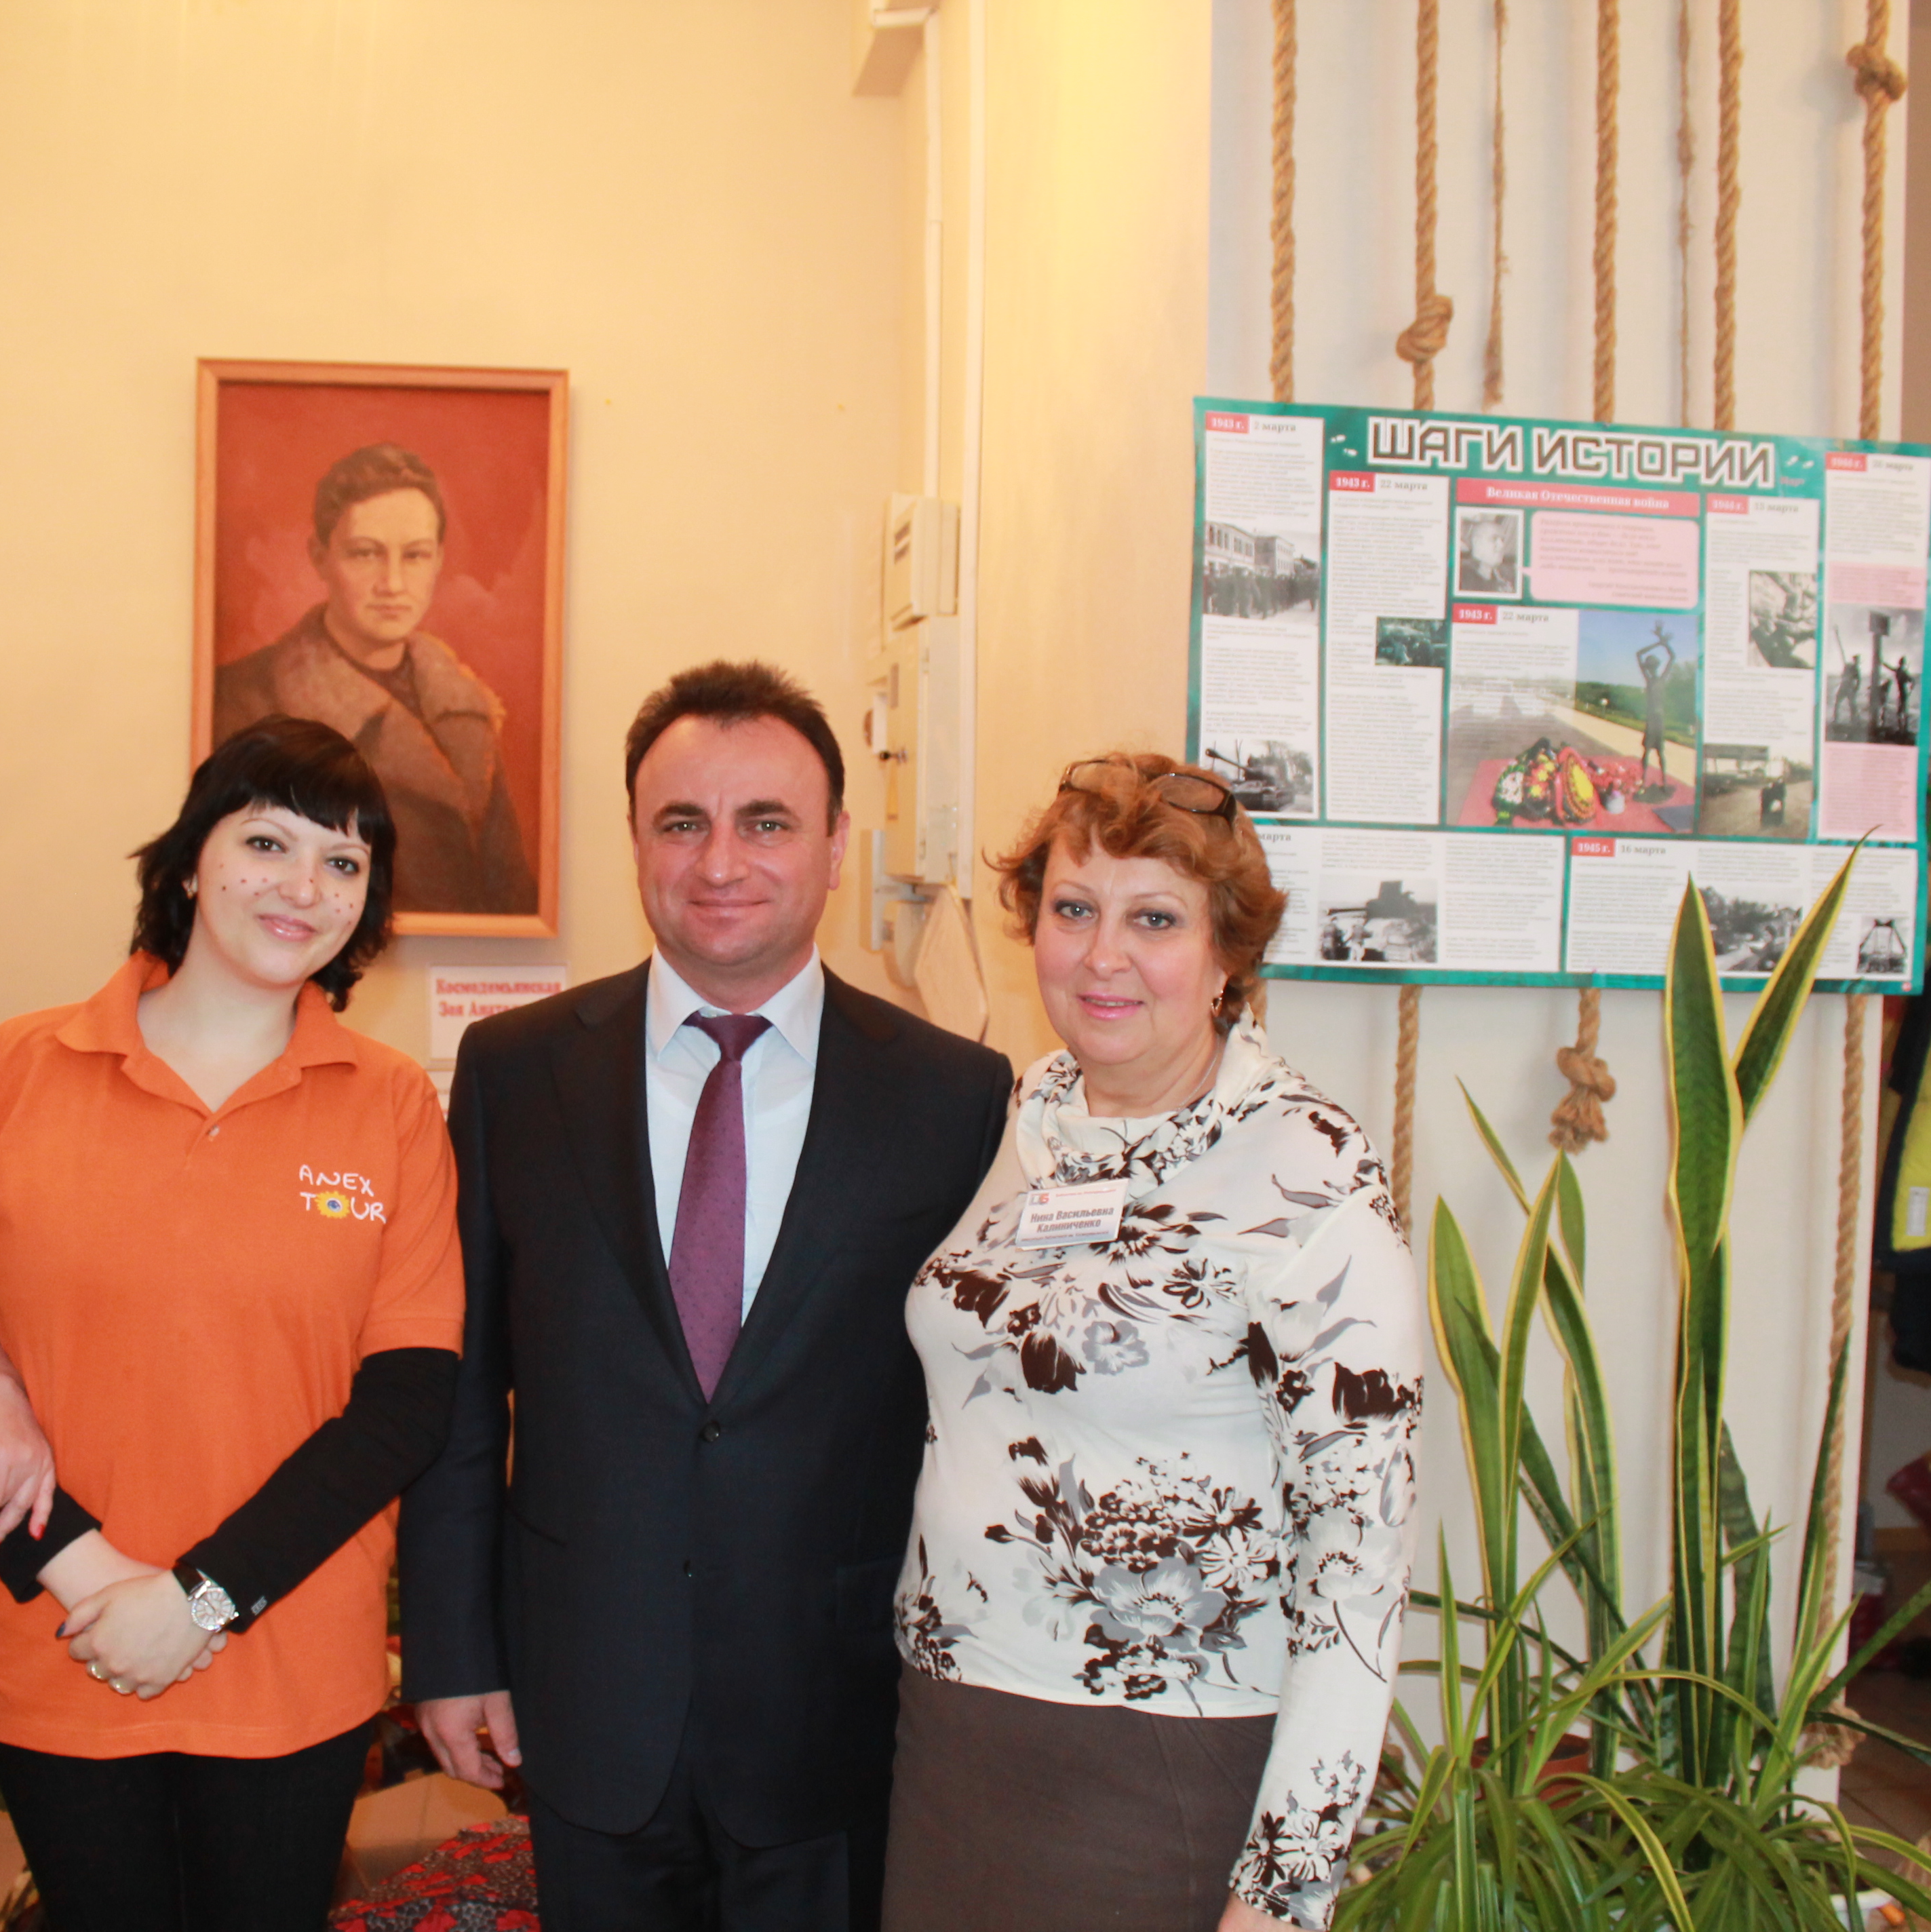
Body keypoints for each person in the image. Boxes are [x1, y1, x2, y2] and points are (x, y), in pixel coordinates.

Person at [399, 661, 1013, 1931]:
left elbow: (980, 1417)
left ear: (836, 847)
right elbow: (459, 1393)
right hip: (585, 1696)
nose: (720, 861)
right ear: (634, 840)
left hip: (835, 1707)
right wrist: (453, 1652)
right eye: (682, 822)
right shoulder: (515, 1073)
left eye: (766, 822)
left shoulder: (954, 1097)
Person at [0, 716, 464, 1932]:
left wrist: (198, 1600)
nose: (304, 886)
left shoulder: (392, 1104)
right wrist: (89, 1574)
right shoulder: (20, 1068)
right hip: (63, 1633)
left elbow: (406, 1403)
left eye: (343, 862)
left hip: (288, 1655)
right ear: (191, 860)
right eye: (267, 843)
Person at [884, 753, 1422, 1932]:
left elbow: (1360, 1549)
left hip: (1165, 1769)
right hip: (953, 1747)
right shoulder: (1029, 1118)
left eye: (1156, 919)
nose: (1102, 955)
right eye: (1074, 909)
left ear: (1228, 954)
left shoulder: (1310, 1170)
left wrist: (1283, 1893)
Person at [211, 442, 538, 918]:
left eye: (416, 556)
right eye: (366, 554)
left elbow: (509, 892)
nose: (393, 584)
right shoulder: (246, 701)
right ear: (320, 557)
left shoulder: (466, 708)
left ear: (439, 560)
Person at [1636, 633, 1676, 788]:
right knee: (1647, 752)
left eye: (1653, 666)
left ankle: (1664, 782)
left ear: (1655, 667)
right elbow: (1639, 654)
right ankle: (1643, 781)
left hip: (1658, 720)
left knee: (1660, 753)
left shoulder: (1661, 679)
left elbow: (1672, 657)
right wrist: (1659, 643)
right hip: (1652, 719)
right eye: (1650, 666)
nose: (1651, 668)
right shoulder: (1650, 680)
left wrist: (1663, 642)